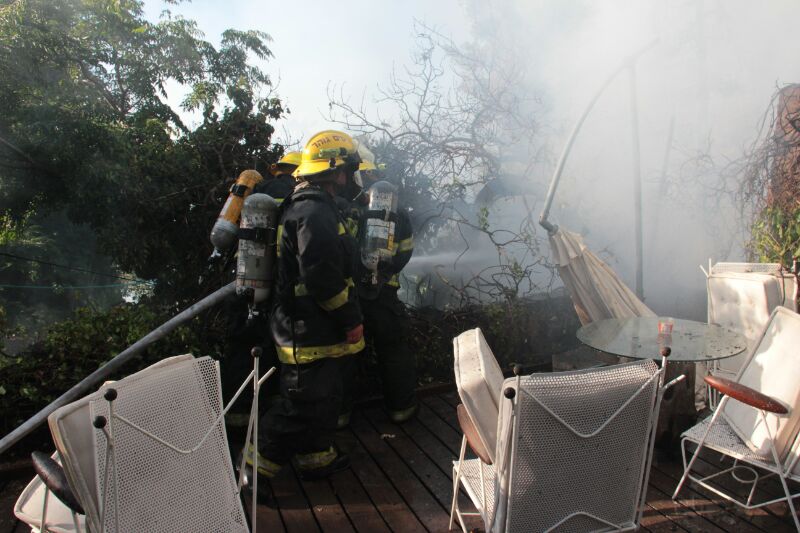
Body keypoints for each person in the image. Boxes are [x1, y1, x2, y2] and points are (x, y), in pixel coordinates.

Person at [247, 130, 364, 480]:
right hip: (307, 327)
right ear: (336, 171)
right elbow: (321, 277)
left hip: (310, 325)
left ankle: (314, 456)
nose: (348, 178)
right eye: (347, 170)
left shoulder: (311, 206)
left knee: (322, 398)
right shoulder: (314, 212)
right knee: (300, 405)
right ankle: (252, 472)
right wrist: (350, 318)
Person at [219, 152, 301, 426]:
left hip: (242, 280)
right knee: (268, 349)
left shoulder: (255, 191)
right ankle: (264, 413)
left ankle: (235, 416)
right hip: (272, 285)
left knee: (239, 348)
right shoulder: (294, 196)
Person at [338, 159, 417, 428]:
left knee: (346, 356)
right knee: (394, 354)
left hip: (353, 297)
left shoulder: (349, 208)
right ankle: (401, 410)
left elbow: (341, 247)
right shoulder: (397, 212)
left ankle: (340, 416)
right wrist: (384, 274)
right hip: (385, 297)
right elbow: (406, 250)